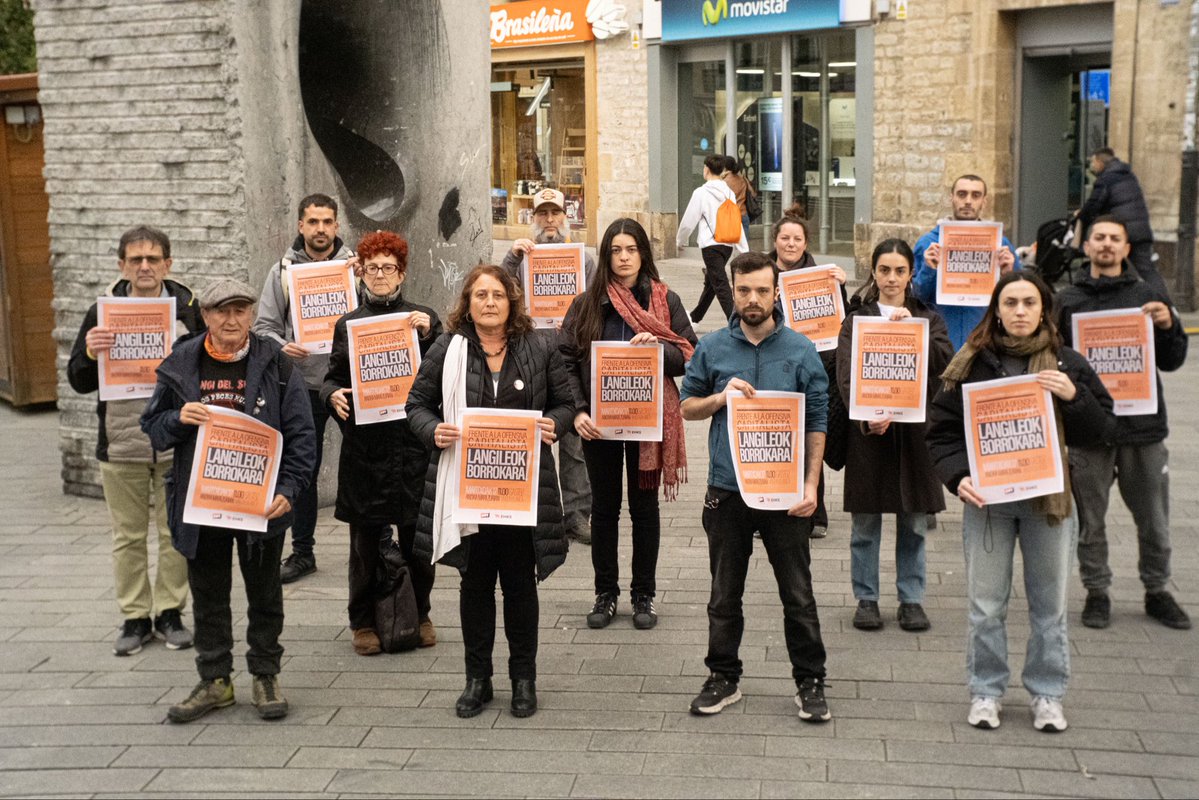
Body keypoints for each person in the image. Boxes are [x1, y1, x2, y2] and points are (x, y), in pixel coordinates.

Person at [927, 272, 1114, 733]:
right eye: (1010, 303)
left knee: (1049, 606)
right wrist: (958, 477)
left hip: (1047, 505)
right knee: (986, 605)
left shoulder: (1068, 364)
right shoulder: (971, 363)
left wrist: (1075, 398)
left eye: (1029, 302)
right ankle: (986, 690)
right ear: (997, 310)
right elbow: (941, 433)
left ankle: (1047, 694)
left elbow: (1105, 432)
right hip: (988, 503)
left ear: (1044, 309)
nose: (1020, 311)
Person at [142, 278, 317, 723]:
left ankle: (264, 674)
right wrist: (179, 417)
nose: (231, 319)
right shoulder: (182, 362)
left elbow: (301, 435)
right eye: (221, 311)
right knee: (209, 595)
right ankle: (215, 680)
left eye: (240, 310)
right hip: (202, 504)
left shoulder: (274, 364)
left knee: (264, 593)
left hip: (260, 505)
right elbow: (154, 426)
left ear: (251, 313)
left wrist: (289, 491)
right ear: (206, 316)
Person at [408, 264, 574, 720]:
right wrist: (432, 430)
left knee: (521, 585)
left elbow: (565, 403)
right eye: (480, 295)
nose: (489, 303)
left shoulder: (539, 347)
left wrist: (553, 424)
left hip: (523, 491)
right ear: (468, 301)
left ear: (511, 301)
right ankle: (477, 679)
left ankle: (524, 679)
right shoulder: (449, 347)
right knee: (476, 584)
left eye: (497, 295)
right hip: (469, 492)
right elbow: (416, 403)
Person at [679, 251, 832, 723]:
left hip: (786, 492)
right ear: (733, 288)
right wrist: (720, 398)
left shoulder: (801, 349)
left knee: (798, 593)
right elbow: (686, 407)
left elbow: (817, 418)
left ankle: (809, 680)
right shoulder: (713, 348)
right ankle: (723, 676)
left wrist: (811, 485)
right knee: (725, 593)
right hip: (728, 489)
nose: (753, 299)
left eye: (762, 290)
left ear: (776, 292)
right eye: (744, 289)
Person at [67, 226, 204, 656]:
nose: (144, 267)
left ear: (168, 263)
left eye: (153, 259)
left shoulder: (188, 309)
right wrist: (91, 353)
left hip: (174, 440)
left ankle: (169, 612)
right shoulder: (101, 311)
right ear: (121, 265)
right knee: (127, 536)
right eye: (135, 260)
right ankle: (134, 616)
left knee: (173, 532)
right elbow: (78, 380)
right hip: (121, 442)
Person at [561, 218, 697, 631]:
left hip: (647, 421)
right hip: (599, 425)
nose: (623, 258)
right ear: (606, 255)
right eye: (616, 250)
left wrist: (658, 347)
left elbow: (690, 355)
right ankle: (605, 594)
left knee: (644, 509)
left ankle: (643, 595)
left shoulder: (665, 300)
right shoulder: (586, 304)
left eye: (631, 250)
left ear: (643, 254)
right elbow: (564, 362)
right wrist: (578, 411)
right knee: (603, 509)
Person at [1056, 216, 1190, 630]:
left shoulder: (1148, 295)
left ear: (1126, 249)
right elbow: (1054, 360)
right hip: (1089, 429)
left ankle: (1157, 590)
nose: (1107, 245)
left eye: (1116, 239)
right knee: (1089, 520)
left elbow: (1172, 359)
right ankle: (1097, 592)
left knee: (1153, 517)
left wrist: (1168, 326)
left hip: (1142, 428)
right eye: (1100, 238)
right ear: (1088, 246)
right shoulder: (1068, 300)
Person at [321, 231, 443, 656]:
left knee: (416, 539)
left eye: (388, 267)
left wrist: (430, 334)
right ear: (362, 273)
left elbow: (443, 376)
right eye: (372, 267)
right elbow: (333, 377)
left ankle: (421, 611)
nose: (380, 275)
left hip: (411, 448)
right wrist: (331, 394)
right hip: (367, 450)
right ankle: (363, 621)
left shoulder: (424, 318)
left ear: (402, 273)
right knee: (365, 542)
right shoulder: (348, 324)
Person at [836, 239, 953, 632]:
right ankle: (866, 597)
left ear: (910, 274)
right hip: (870, 434)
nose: (891, 278)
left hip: (916, 435)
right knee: (865, 524)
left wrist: (914, 334)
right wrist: (867, 416)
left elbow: (944, 364)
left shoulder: (927, 317)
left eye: (899, 270)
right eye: (884, 270)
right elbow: (846, 375)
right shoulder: (856, 319)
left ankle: (911, 598)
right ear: (874, 273)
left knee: (914, 523)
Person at [253, 193, 356, 584]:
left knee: (366, 464)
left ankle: (377, 541)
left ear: (336, 226)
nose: (320, 229)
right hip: (303, 386)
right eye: (313, 222)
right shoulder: (283, 270)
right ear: (300, 226)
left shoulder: (355, 268)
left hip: (348, 385)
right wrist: (284, 346)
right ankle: (303, 552)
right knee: (304, 472)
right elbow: (263, 328)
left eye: (327, 222)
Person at [500, 187, 594, 545]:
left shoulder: (582, 259)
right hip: (530, 357)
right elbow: (500, 288)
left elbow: (597, 299)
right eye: (543, 214)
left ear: (565, 217)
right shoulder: (521, 257)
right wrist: (512, 257)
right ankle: (532, 511)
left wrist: (576, 323)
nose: (550, 220)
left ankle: (576, 513)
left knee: (572, 440)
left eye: (555, 214)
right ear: (533, 218)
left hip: (571, 358)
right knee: (531, 435)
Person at [769, 208, 847, 538]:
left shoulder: (822, 276)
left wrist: (841, 286)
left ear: (806, 243)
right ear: (774, 241)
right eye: (785, 238)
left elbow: (841, 321)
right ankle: (775, 507)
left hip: (816, 366)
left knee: (813, 433)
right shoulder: (763, 275)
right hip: (776, 363)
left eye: (796, 238)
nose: (790, 243)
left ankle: (817, 512)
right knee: (780, 436)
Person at [912, 174, 1020, 349]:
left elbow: (1020, 297)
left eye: (975, 195)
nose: (968, 201)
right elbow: (915, 299)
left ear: (984, 201)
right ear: (951, 198)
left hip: (985, 341)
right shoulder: (927, 244)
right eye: (962, 194)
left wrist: (1010, 273)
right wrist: (928, 269)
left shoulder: (1001, 245)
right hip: (939, 342)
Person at [1077, 148, 1168, 300]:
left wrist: (1080, 216)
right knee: (1147, 271)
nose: (1092, 166)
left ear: (1100, 162)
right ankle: (1166, 304)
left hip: (1120, 231)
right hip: (1140, 230)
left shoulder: (1105, 179)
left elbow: (1094, 205)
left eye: (1093, 162)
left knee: (1107, 265)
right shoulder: (1128, 175)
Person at [677, 154, 749, 324]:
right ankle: (695, 317)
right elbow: (735, 220)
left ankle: (736, 322)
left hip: (711, 246)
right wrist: (743, 248)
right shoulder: (729, 193)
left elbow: (689, 221)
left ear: (706, 169)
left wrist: (680, 240)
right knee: (712, 283)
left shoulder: (701, 193)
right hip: (727, 245)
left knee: (720, 284)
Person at [722, 155, 753, 234]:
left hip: (731, 216)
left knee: (730, 244)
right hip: (743, 215)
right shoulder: (742, 179)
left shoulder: (723, 181)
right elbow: (753, 193)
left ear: (724, 167)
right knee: (744, 245)